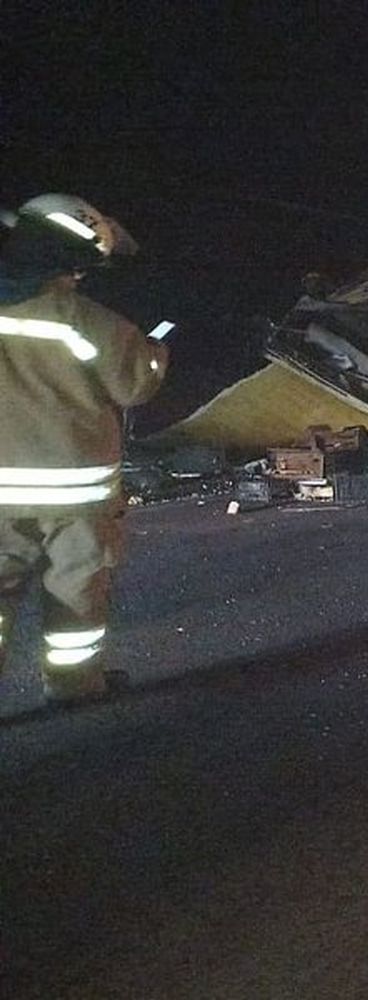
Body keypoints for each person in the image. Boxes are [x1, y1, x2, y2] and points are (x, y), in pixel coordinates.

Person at [0, 194, 168, 702]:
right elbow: (136, 385)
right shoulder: (85, 321)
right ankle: (74, 688)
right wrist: (157, 354)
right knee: (75, 594)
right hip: (76, 498)